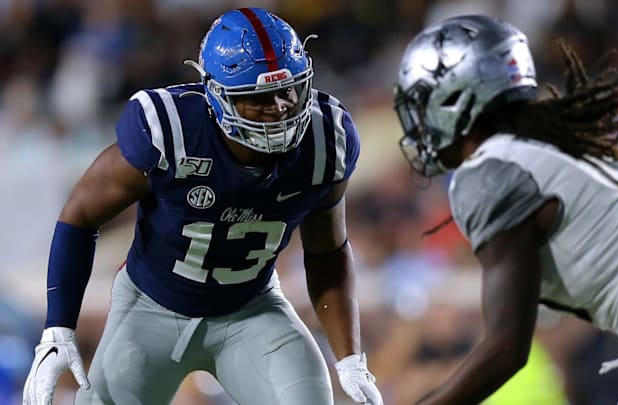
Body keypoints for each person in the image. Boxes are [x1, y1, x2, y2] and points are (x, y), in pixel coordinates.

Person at [22, 8, 383, 405]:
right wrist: (58, 328)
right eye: (258, 97)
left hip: (253, 310)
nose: (280, 107)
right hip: (149, 311)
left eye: (289, 90)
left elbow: (327, 250)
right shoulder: (171, 131)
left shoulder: (325, 140)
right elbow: (80, 216)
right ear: (217, 95)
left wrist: (349, 356)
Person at [393, 15, 618, 405]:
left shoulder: (488, 172)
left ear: (456, 97)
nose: (420, 124)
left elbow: (506, 349)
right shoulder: (555, 151)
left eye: (424, 103)